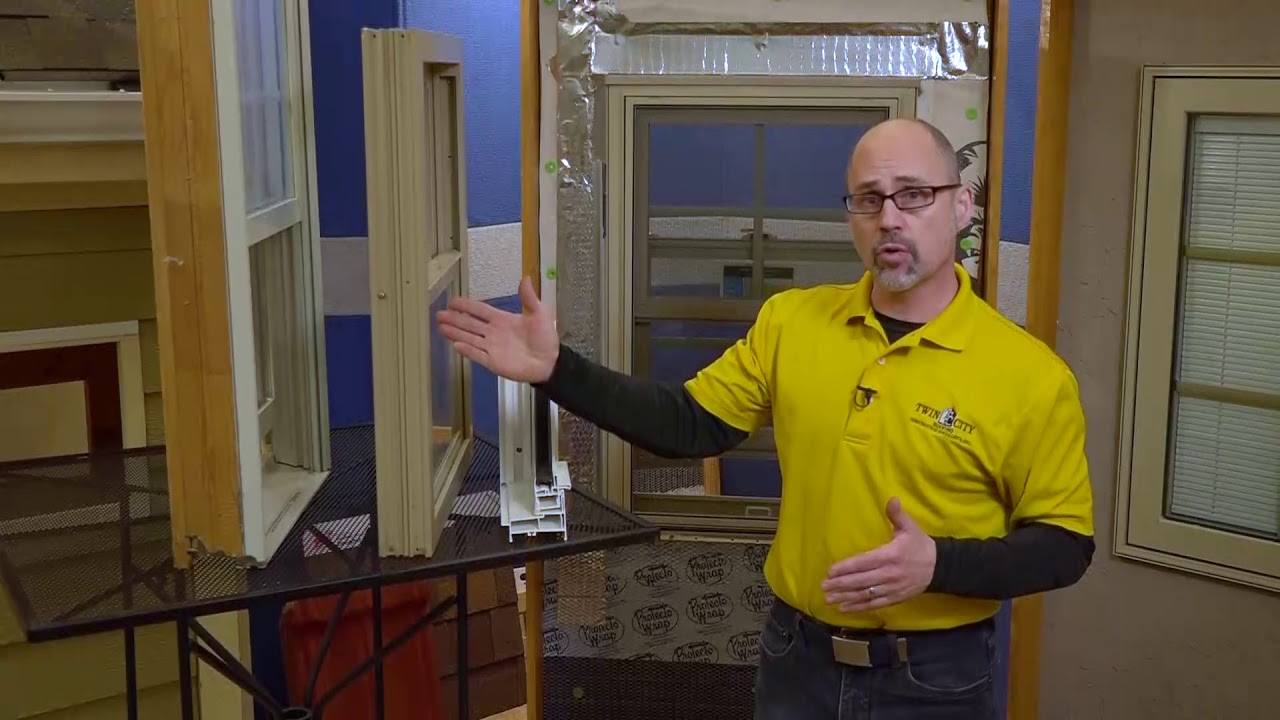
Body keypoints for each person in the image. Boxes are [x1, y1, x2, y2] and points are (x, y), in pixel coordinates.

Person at [437, 117, 1095, 719]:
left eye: (914, 194)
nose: (889, 218)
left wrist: (937, 564)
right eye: (868, 199)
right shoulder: (792, 322)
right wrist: (558, 370)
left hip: (935, 680)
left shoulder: (1029, 375)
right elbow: (688, 423)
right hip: (797, 662)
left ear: (961, 205)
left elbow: (1065, 545)